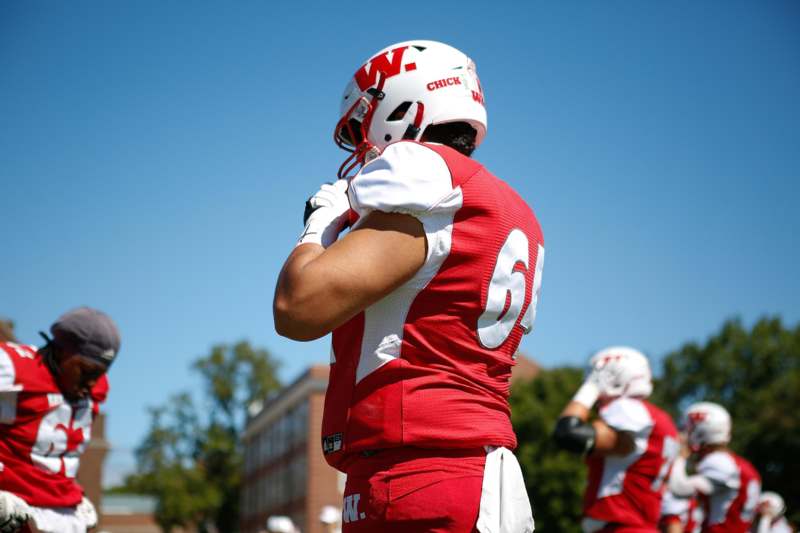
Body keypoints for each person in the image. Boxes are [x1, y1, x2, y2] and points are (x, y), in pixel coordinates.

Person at [274, 40, 542, 532]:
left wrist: (317, 227)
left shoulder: (423, 170)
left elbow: (298, 307)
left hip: (415, 472)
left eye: (363, 124)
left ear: (403, 104)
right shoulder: (508, 203)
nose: (363, 145)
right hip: (472, 468)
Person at [0, 307, 120, 533]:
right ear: (62, 351)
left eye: (100, 374)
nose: (92, 383)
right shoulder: (16, 367)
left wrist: (72, 492)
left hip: (64, 513)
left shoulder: (97, 389)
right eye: (86, 370)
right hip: (15, 507)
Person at [553, 346, 679, 532]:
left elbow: (569, 433)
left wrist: (591, 387)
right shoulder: (663, 420)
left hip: (623, 525)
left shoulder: (627, 409)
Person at [667, 402, 761, 533]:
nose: (684, 434)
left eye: (688, 429)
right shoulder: (742, 465)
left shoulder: (717, 462)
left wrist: (680, 456)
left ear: (700, 431)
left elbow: (679, 489)